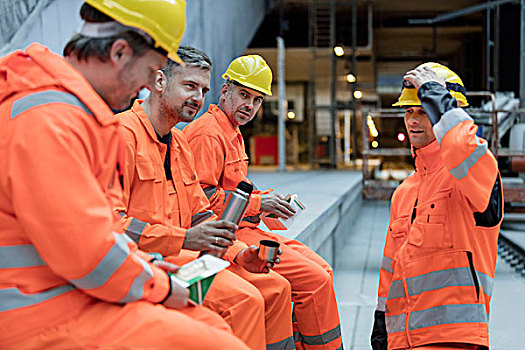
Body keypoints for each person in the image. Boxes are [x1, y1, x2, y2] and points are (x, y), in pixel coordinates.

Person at [0, 1, 248, 349]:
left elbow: (101, 236)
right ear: (119, 53)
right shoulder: (52, 121)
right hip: (38, 312)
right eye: (150, 73)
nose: (147, 88)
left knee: (207, 323)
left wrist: (155, 270)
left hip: (68, 291)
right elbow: (90, 254)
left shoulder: (70, 113)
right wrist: (159, 284)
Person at [115, 46, 294, 350]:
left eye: (203, 89)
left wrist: (240, 253)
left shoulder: (180, 144)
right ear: (159, 82)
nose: (198, 97)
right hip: (146, 261)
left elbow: (203, 215)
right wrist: (184, 239)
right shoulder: (122, 136)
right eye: (189, 86)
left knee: (277, 288)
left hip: (186, 256)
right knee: (245, 301)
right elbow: (112, 224)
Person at [184, 55, 343, 350]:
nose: (249, 106)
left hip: (246, 228)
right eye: (244, 95)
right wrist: (259, 204)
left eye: (256, 100)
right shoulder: (208, 133)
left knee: (324, 271)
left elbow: (233, 188)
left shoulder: (232, 132)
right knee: (315, 281)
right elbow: (201, 200)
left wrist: (268, 203)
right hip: (229, 235)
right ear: (224, 90)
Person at [370, 62, 503, 350]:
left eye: (424, 111)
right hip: (402, 339)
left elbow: (462, 147)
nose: (414, 120)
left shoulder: (472, 175)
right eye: (410, 112)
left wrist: (436, 95)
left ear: (446, 112)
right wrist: (381, 321)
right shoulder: (404, 192)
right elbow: (391, 267)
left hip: (455, 338)